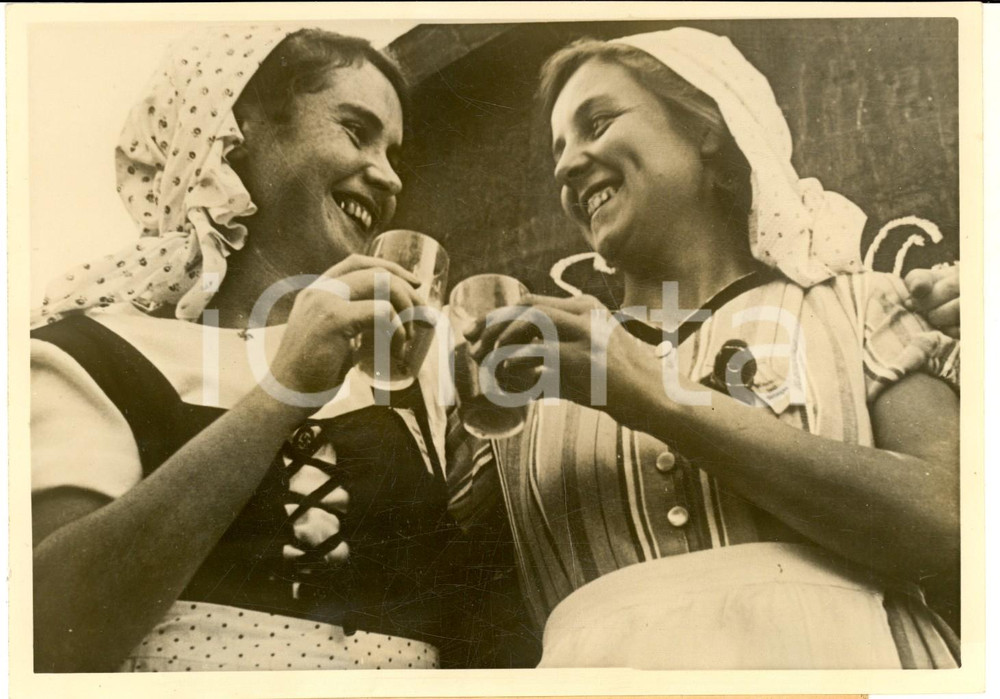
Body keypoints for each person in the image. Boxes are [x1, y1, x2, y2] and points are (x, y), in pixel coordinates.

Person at [454, 27, 961, 669]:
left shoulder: (857, 302)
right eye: (558, 150)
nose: (566, 166)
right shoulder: (526, 369)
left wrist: (656, 396)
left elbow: (952, 524)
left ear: (707, 130)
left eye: (597, 124)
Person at [30, 26, 495, 673]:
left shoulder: (409, 372)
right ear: (235, 132)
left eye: (394, 153)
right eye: (356, 131)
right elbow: (48, 639)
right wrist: (282, 392)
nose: (389, 177)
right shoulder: (87, 352)